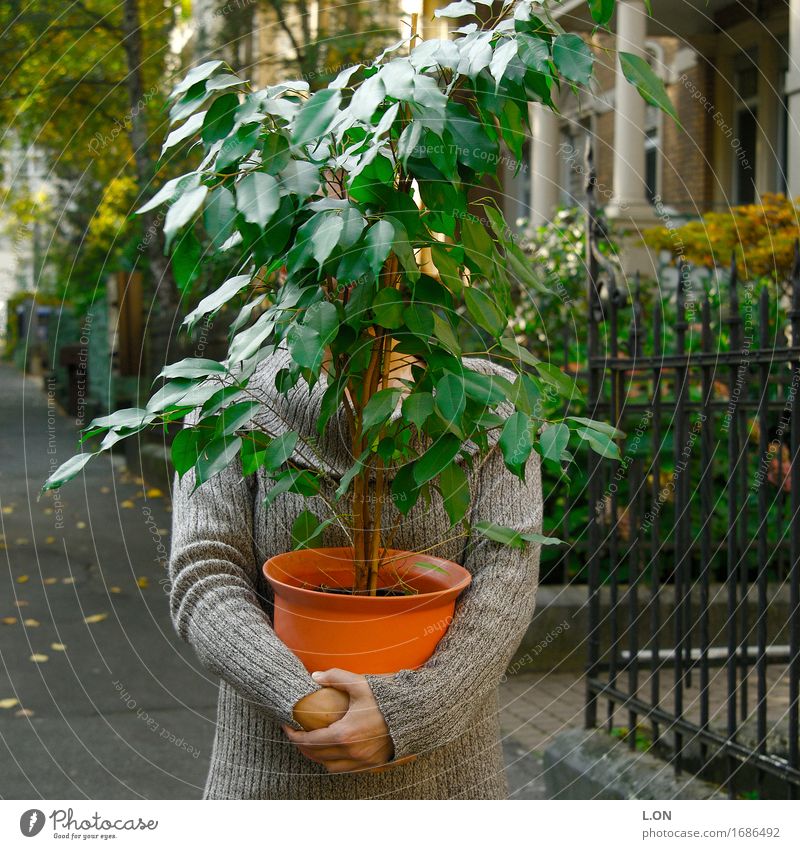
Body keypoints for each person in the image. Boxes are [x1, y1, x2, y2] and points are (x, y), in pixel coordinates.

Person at [168, 342, 544, 799]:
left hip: (447, 780)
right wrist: (308, 704)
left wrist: (409, 714)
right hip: (271, 777)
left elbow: (506, 578)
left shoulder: (493, 404)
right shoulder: (230, 400)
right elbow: (205, 571)